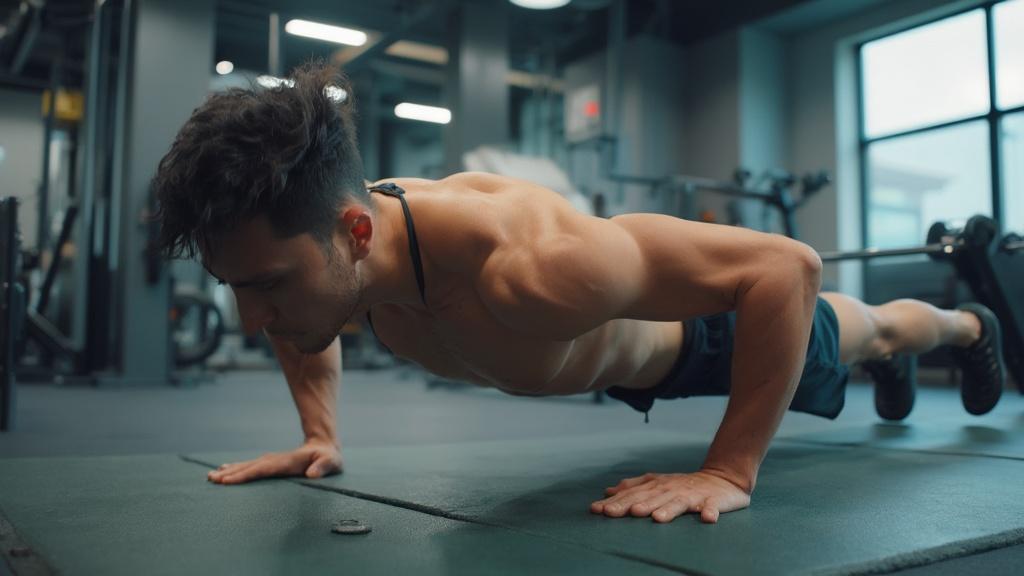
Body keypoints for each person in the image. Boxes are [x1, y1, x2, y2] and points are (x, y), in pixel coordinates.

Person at [151, 62, 1006, 525]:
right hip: (617, 365)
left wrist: (728, 468)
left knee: (879, 331)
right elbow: (303, 317)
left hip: (710, 337)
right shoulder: (336, 254)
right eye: (236, 288)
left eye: (263, 287)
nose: (251, 318)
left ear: (355, 235)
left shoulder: (530, 265)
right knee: (874, 347)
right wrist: (319, 433)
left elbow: (785, 268)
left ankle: (971, 325)